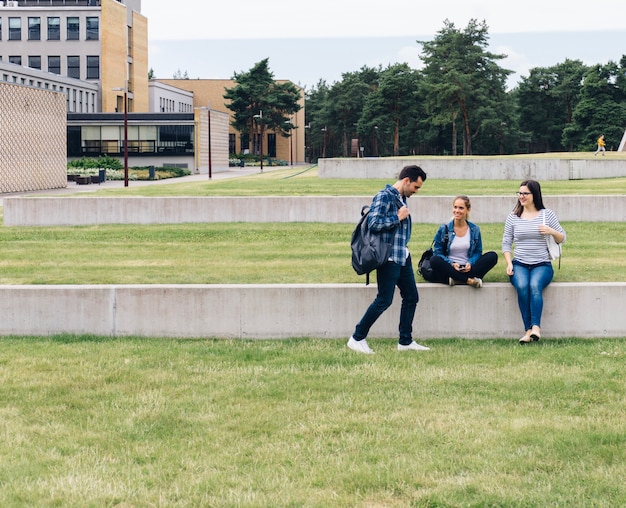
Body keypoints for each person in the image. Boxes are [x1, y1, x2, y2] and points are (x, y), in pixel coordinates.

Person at [347, 165, 429, 354]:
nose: (416, 192)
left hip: (402, 255)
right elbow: (374, 224)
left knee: (411, 297)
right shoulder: (384, 196)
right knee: (384, 299)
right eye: (416, 187)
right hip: (389, 257)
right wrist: (398, 217)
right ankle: (357, 337)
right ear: (406, 180)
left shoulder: (401, 198)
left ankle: (405, 342)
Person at [502, 180, 566, 344]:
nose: (521, 196)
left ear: (534, 195)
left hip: (542, 264)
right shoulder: (513, 217)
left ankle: (536, 327)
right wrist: (509, 263)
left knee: (534, 286)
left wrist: (550, 231)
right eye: (520, 193)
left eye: (525, 193)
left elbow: (562, 238)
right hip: (520, 263)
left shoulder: (547, 215)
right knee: (522, 286)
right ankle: (528, 330)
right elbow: (506, 243)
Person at [428, 195, 498, 288]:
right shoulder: (444, 229)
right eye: (455, 207)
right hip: (450, 267)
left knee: (492, 256)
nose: (457, 211)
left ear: (468, 210)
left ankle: (457, 279)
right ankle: (468, 280)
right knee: (434, 260)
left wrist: (470, 263)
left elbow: (478, 252)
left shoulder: (474, 229)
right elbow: (438, 252)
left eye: (461, 208)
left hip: (468, 268)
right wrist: (451, 264)